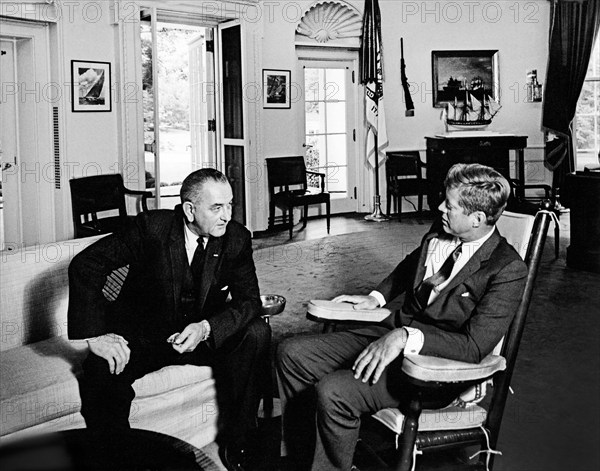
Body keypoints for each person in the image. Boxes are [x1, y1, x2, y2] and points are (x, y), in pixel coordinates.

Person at [276, 163, 528, 471]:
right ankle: (305, 457)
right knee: (291, 353)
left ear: (477, 219)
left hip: (430, 368)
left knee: (335, 390)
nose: (439, 209)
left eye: (449, 206)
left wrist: (407, 337)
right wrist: (376, 297)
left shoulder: (507, 269)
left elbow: (474, 347)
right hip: (391, 330)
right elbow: (412, 264)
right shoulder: (444, 227)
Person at [68, 168, 269, 471]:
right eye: (217, 207)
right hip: (145, 337)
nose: (227, 215)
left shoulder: (236, 238)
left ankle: (238, 442)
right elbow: (87, 264)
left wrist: (206, 328)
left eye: (230, 205)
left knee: (256, 334)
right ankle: (118, 459)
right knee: (100, 371)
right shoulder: (152, 228)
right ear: (189, 209)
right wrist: (96, 336)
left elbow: (249, 301)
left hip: (199, 335)